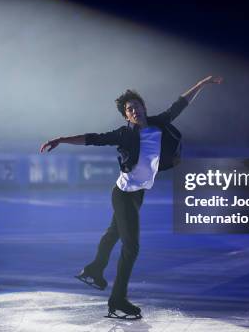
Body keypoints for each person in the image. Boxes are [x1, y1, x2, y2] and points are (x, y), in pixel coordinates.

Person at [40, 75, 223, 319]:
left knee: (113, 233)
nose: (134, 110)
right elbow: (93, 138)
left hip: (138, 195)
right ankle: (117, 299)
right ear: (126, 116)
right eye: (129, 109)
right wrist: (61, 139)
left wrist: (201, 84)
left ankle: (94, 269)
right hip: (123, 194)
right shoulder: (124, 134)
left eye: (136, 106)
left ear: (144, 108)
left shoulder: (159, 123)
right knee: (131, 247)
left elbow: (180, 104)